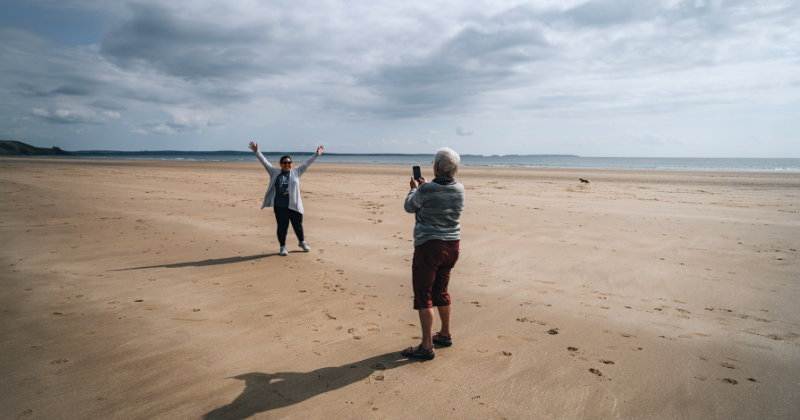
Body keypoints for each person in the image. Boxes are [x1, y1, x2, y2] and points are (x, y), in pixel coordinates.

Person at [401, 147, 465, 360]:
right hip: (452, 246)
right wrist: (425, 187)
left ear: (436, 167)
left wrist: (414, 189)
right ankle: (445, 334)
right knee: (442, 289)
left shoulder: (426, 190)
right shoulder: (460, 189)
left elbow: (410, 207)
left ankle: (427, 345)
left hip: (429, 246)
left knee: (424, 294)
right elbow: (439, 198)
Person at [248, 142, 324, 256]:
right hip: (280, 206)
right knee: (282, 227)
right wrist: (256, 152)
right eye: (284, 163)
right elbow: (264, 162)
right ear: (281, 164)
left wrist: (317, 154)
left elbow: (307, 163)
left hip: (295, 205)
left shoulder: (297, 171)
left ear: (291, 164)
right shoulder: (274, 172)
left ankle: (302, 242)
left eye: (289, 162)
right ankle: (283, 247)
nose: (287, 164)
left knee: (298, 225)